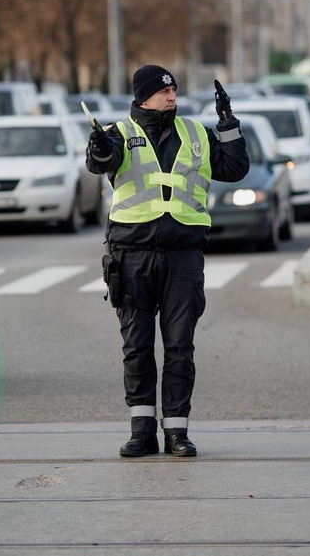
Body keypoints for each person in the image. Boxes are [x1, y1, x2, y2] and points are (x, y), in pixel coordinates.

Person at [85, 65, 249, 457]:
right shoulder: (119, 134)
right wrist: (98, 147)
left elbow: (234, 168)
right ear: (143, 96)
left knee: (179, 346)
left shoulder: (195, 133)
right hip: (132, 255)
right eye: (164, 91)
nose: (172, 96)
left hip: (183, 256)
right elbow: (101, 162)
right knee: (137, 347)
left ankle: (177, 430)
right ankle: (142, 431)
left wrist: (228, 123)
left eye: (174, 90)